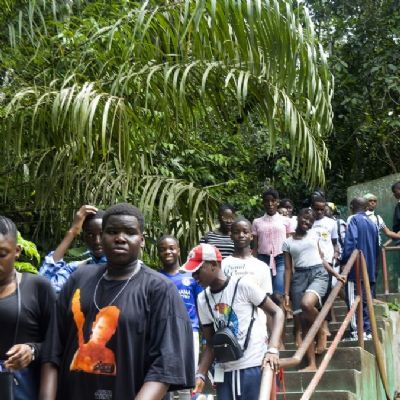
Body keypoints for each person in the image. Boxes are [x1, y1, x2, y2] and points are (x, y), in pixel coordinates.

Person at [40, 203, 195, 400]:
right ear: (102, 236)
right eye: (112, 232)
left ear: (142, 240)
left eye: (130, 232)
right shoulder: (78, 278)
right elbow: (52, 351)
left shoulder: (160, 289)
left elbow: (166, 366)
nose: (120, 238)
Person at [182, 243, 284, 400]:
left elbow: (277, 312)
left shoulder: (244, 285)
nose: (194, 276)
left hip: (254, 366)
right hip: (225, 371)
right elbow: (210, 343)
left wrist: (272, 349)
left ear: (213, 265)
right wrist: (200, 374)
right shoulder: (202, 299)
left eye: (197, 270)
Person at [0, 216, 55, 400]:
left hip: (21, 389)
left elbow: (58, 343)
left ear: (17, 251)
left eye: (2, 254)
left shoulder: (37, 287)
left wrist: (32, 351)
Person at [283, 209, 345, 371]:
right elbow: (288, 269)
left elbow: (321, 259)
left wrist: (335, 274)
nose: (307, 222)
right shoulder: (287, 242)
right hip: (299, 278)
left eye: (311, 220)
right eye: (305, 218)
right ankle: (311, 364)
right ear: (298, 218)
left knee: (307, 304)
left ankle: (322, 328)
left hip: (318, 273)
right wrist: (286, 293)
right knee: (304, 323)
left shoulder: (313, 235)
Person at [157, 235, 203, 400]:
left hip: (189, 332)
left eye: (171, 248)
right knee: (164, 377)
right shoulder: (155, 278)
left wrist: (206, 337)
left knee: (187, 378)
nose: (167, 252)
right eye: (163, 249)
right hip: (163, 333)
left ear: (178, 250)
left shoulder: (191, 277)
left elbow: (201, 306)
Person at [39, 205, 107, 293]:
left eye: (102, 234)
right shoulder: (76, 268)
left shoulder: (122, 267)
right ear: (83, 238)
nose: (97, 241)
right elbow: (43, 287)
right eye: (90, 235)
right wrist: (73, 231)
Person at [342, 197, 379, 340]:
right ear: (366, 207)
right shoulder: (372, 223)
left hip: (355, 270)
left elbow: (351, 243)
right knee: (365, 301)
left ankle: (356, 333)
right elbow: (377, 247)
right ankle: (367, 332)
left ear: (352, 206)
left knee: (354, 300)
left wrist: (344, 261)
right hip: (370, 269)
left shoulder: (354, 220)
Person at [252, 189, 294, 304]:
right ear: (263, 203)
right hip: (262, 259)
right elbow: (255, 246)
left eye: (273, 201)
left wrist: (292, 265)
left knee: (278, 293)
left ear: (277, 202)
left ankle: (281, 314)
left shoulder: (286, 221)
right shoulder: (257, 222)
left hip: (281, 259)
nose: (270, 204)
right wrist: (253, 263)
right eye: (267, 201)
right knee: (265, 294)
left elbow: (290, 244)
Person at [310, 195, 340, 352]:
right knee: (314, 297)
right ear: (312, 208)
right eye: (317, 209)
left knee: (327, 294)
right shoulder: (307, 222)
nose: (320, 212)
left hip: (327, 262)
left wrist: (336, 253)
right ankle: (317, 327)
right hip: (311, 262)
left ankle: (325, 325)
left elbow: (334, 242)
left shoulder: (331, 223)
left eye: (322, 209)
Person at [222, 218, 272, 295]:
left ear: (251, 236)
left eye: (245, 232)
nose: (241, 235)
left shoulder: (262, 267)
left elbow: (266, 296)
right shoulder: (223, 265)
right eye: (236, 232)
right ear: (231, 236)